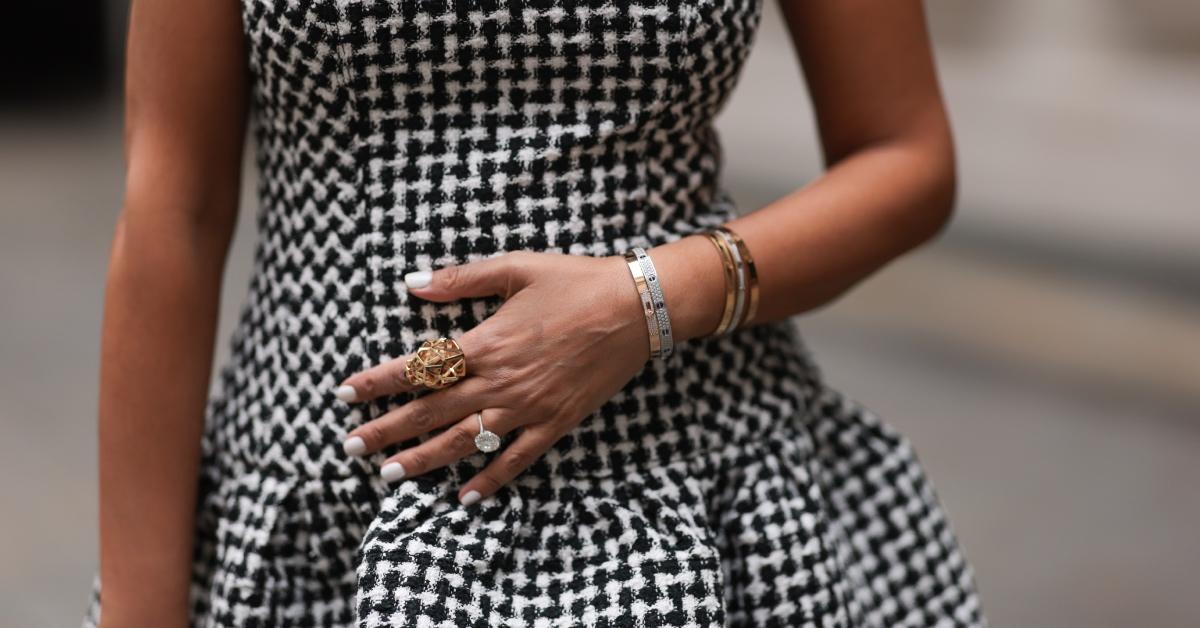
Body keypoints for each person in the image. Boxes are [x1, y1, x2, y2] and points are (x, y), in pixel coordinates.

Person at [85, 0, 984, 626]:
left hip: (684, 497)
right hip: (328, 517)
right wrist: (135, 611)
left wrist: (645, 299)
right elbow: (177, 210)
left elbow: (904, 155)